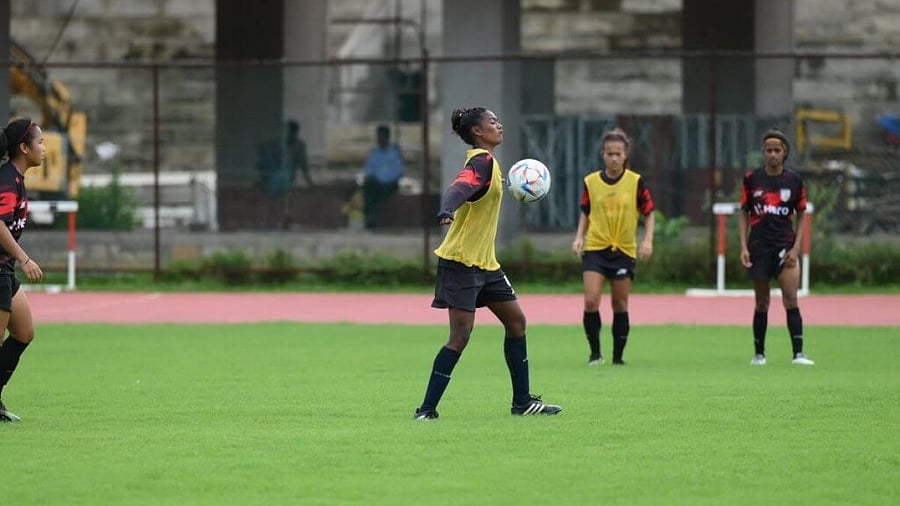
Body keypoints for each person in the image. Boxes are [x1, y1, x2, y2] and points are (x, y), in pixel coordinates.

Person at [413, 107, 562, 420]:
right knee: (461, 337)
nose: (500, 124)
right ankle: (426, 410)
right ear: (478, 132)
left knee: (517, 322)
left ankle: (522, 402)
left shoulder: (492, 164)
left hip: (486, 264)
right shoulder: (482, 162)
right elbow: (461, 186)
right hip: (461, 262)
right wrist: (447, 209)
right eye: (493, 121)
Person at [571, 128, 655, 366]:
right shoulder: (591, 182)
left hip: (624, 250)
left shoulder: (636, 182)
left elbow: (649, 213)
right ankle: (595, 353)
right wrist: (579, 237)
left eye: (618, 153)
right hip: (596, 247)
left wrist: (647, 240)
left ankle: (618, 357)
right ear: (602, 155)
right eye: (609, 153)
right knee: (591, 301)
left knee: (619, 303)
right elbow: (586, 213)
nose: (614, 158)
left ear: (626, 155)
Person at [739, 129, 814, 366]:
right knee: (762, 302)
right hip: (759, 247)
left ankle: (798, 354)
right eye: (768, 150)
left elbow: (802, 213)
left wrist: (796, 247)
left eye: (777, 150)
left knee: (791, 298)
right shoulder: (752, 179)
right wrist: (743, 246)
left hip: (785, 247)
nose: (772, 154)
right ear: (763, 153)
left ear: (785, 153)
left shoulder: (794, 181)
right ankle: (759, 354)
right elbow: (744, 212)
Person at [0, 118, 46, 422]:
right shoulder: (6, 180)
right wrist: (25, 259)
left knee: (24, 332)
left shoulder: (17, 178)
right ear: (24, 147)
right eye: (39, 142)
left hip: (5, 269)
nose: (44, 148)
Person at [362, 125, 404, 229]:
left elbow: (398, 171)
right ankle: (369, 218)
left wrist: (384, 180)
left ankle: (372, 217)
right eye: (378, 137)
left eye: (381, 136)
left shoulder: (394, 152)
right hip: (376, 183)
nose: (379, 139)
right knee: (369, 187)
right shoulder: (374, 153)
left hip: (390, 184)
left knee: (373, 191)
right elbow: (369, 170)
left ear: (387, 137)